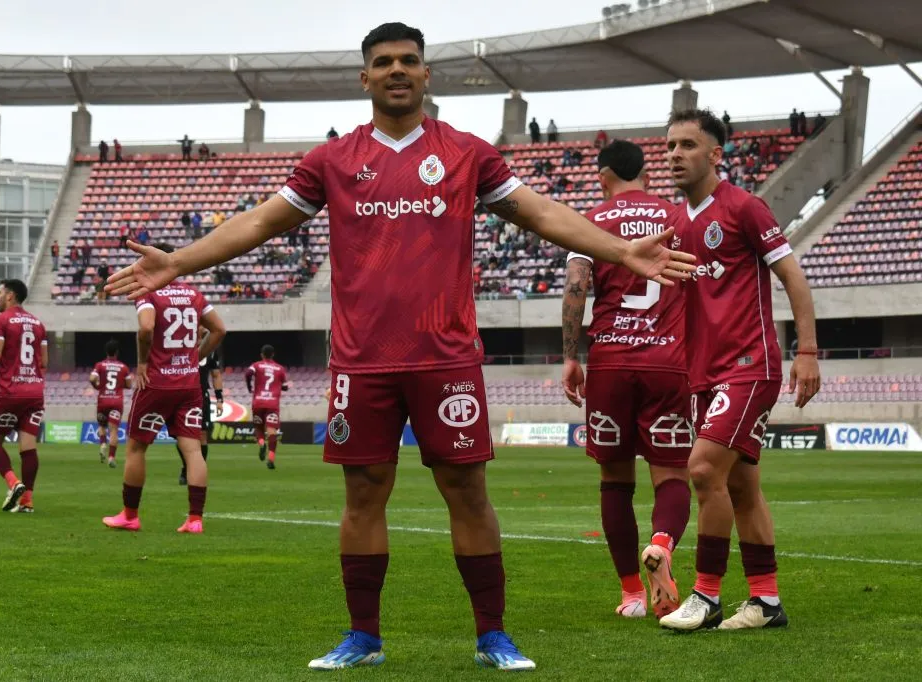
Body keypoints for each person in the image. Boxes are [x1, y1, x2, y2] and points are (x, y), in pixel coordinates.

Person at [105, 22, 693, 671]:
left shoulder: (467, 153)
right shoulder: (332, 161)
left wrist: (618, 252)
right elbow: (260, 221)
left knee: (468, 493)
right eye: (383, 61)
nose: (396, 70)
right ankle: (363, 636)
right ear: (365, 77)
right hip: (363, 361)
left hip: (447, 359)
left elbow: (541, 213)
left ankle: (492, 634)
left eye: (408, 60)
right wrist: (178, 263)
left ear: (424, 74)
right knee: (363, 495)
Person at [657, 109, 820, 632]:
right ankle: (766, 603)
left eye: (686, 145)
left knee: (703, 470)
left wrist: (809, 351)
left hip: (750, 364)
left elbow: (792, 276)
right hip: (703, 372)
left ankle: (705, 598)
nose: (675, 155)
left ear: (715, 155)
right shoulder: (678, 221)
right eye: (670, 146)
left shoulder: (744, 208)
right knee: (744, 488)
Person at [561, 139, 692, 621]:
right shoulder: (677, 219)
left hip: (611, 362)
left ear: (602, 176)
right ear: (648, 176)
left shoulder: (590, 221)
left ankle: (633, 594)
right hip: (668, 362)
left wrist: (571, 357)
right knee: (672, 476)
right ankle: (661, 543)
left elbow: (577, 286)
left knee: (615, 483)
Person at [102, 243, 225, 534]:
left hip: (157, 383)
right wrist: (196, 355)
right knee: (193, 450)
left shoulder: (148, 292)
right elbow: (219, 329)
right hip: (188, 383)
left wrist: (143, 362)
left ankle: (130, 515)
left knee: (136, 447)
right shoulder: (194, 295)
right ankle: (195, 519)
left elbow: (146, 328)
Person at [0, 279, 47, 514]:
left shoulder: (1, 320)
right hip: (35, 392)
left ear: (10, 296)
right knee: (28, 447)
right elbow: (44, 361)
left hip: (9, 391)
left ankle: (13, 483)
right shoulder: (38, 324)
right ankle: (27, 501)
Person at [177, 327, 223, 485]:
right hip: (183, 396)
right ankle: (185, 467)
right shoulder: (181, 348)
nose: (204, 327)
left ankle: (198, 469)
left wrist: (219, 399)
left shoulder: (210, 351)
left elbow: (216, 375)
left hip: (202, 396)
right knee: (182, 436)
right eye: (201, 324)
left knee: (202, 434)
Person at [244, 344, 290, 470]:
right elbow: (285, 387)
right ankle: (271, 458)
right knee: (271, 431)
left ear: (262, 354)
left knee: (258, 428)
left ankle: (261, 443)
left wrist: (250, 387)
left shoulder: (257, 365)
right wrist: (283, 386)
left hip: (258, 402)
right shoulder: (280, 369)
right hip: (272, 404)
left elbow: (248, 373)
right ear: (273, 354)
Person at [90, 339, 133, 468]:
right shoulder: (124, 367)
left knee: (102, 426)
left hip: (103, 400)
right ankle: (111, 457)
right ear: (117, 352)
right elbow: (129, 385)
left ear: (106, 352)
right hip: (116, 402)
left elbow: (92, 378)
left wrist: (97, 386)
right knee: (114, 430)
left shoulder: (100, 365)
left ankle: (103, 443)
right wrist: (120, 385)